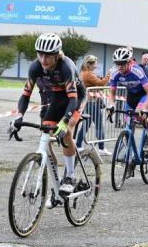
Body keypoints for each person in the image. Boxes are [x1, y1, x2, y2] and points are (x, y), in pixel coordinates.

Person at [14, 33, 86, 197]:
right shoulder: (35, 67)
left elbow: (73, 100)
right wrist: (18, 116)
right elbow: (25, 95)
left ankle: (70, 177)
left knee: (66, 131)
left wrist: (64, 121)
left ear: (56, 55)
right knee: (45, 134)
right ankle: (55, 183)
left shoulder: (65, 67)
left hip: (76, 97)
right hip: (58, 97)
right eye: (40, 54)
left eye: (48, 55)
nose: (43, 59)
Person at [106, 47, 148, 144]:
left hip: (143, 95)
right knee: (128, 121)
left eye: (122, 63)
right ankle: (129, 151)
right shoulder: (115, 73)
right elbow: (112, 93)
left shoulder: (137, 71)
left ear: (129, 62)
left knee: (139, 116)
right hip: (131, 96)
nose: (119, 66)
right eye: (117, 63)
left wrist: (145, 109)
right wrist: (111, 105)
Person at [76, 55, 112, 156]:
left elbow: (95, 83)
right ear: (90, 64)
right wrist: (108, 76)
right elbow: (101, 84)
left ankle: (78, 145)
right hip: (92, 102)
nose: (96, 65)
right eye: (95, 63)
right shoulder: (88, 74)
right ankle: (101, 148)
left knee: (86, 125)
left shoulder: (83, 73)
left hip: (87, 102)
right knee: (99, 125)